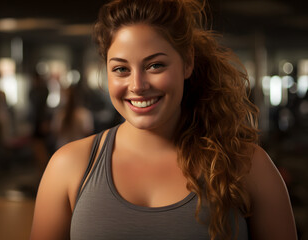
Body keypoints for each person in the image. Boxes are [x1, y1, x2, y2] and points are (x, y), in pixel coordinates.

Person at [30, 0, 298, 239]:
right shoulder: (68, 166)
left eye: (155, 65)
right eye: (121, 69)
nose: (137, 85)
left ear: (188, 62)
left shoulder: (248, 166)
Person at [50, 85, 94, 150]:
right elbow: (88, 132)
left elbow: (55, 131)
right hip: (79, 148)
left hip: (62, 148)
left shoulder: (60, 115)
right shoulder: (84, 114)